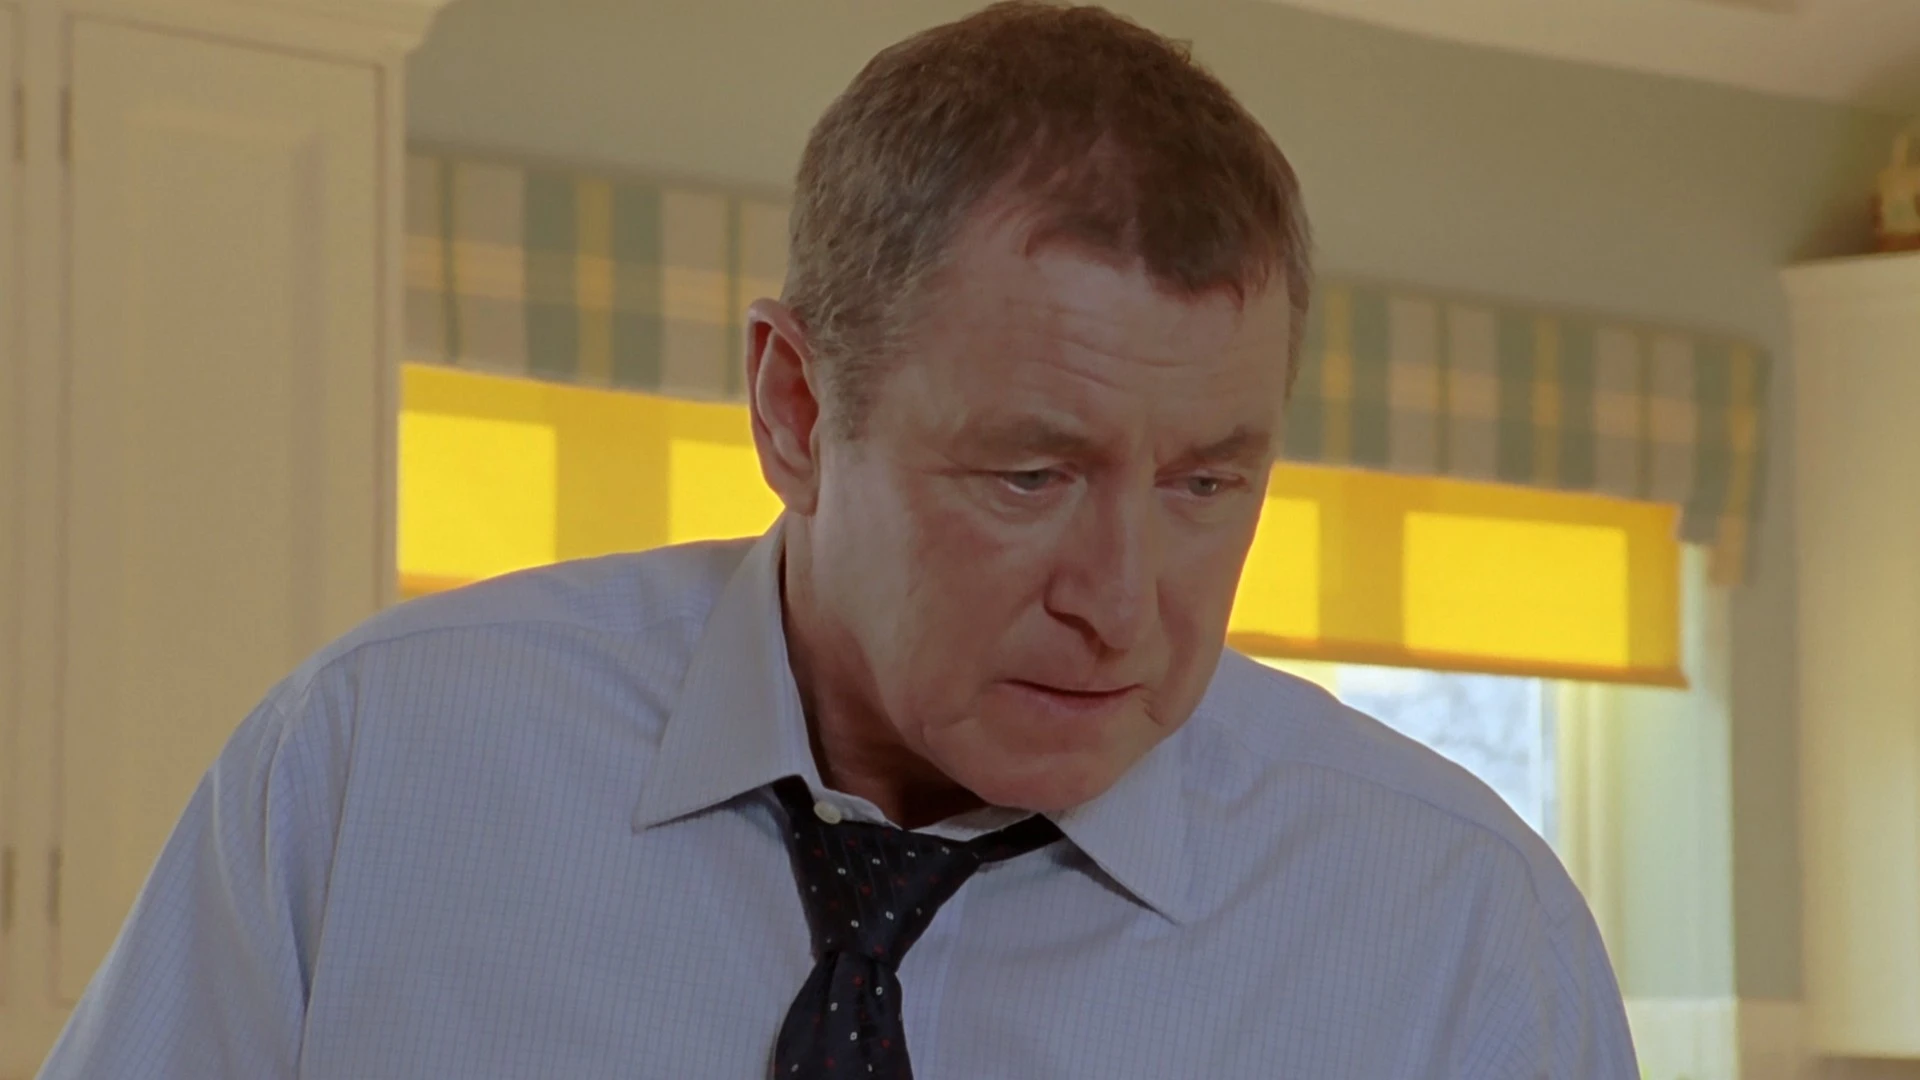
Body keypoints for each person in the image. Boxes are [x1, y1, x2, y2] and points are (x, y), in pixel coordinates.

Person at [38, 3, 1637, 1078]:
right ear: (795, 410)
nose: (1125, 608)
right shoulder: (371, 771)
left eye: (1208, 486)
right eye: (1031, 474)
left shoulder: (1457, 935)